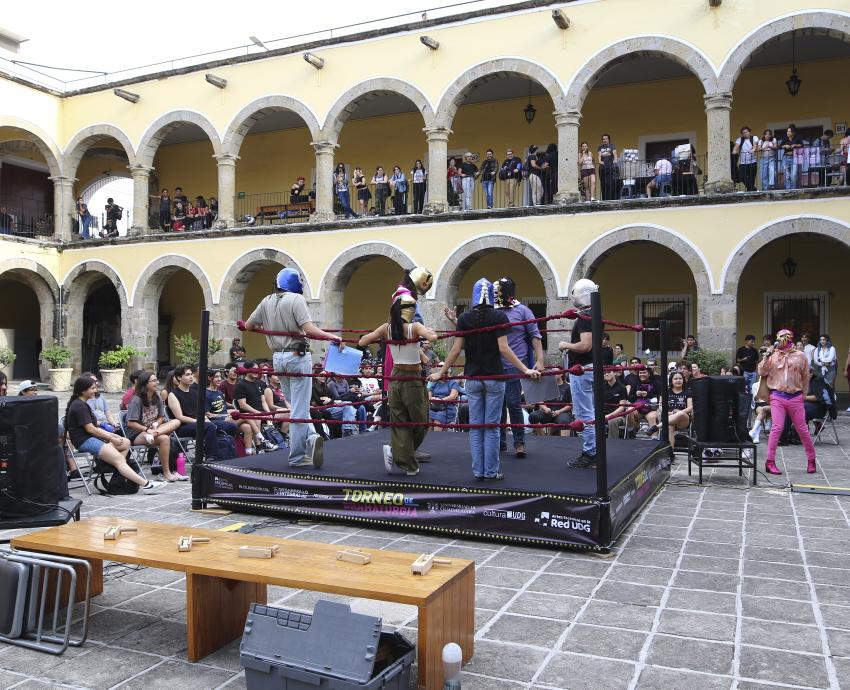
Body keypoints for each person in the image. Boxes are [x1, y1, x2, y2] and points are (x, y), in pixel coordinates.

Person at [432, 278, 539, 480]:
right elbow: (504, 349)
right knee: (491, 427)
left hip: (472, 378)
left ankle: (478, 471)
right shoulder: (498, 316)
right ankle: (491, 472)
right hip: (494, 378)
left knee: (475, 427)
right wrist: (525, 369)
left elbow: (455, 350)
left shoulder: (464, 318)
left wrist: (441, 372)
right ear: (492, 295)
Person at [243, 267, 344, 468]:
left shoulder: (266, 300)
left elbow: (248, 326)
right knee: (299, 408)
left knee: (294, 404)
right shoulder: (296, 300)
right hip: (297, 356)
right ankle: (297, 456)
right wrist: (333, 336)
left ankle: (313, 437)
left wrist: (270, 330)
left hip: (277, 358)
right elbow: (308, 329)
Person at [359, 289, 437, 476]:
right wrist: (430, 332)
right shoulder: (415, 327)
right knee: (420, 420)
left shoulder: (387, 328)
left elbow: (362, 342)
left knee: (400, 420)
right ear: (409, 309)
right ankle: (403, 457)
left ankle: (401, 454)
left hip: (395, 377)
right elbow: (432, 338)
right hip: (411, 379)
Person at [64, 376, 163, 493]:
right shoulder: (79, 405)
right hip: (85, 441)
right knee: (119, 460)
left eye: (96, 387)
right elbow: (90, 429)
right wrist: (111, 437)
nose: (96, 391)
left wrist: (113, 436)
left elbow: (94, 428)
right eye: (92, 388)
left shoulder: (83, 403)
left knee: (125, 442)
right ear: (82, 390)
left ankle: (110, 465)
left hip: (92, 437)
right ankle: (146, 484)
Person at [494, 276, 544, 458]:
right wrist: (455, 321)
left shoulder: (522, 310)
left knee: (513, 404)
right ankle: (500, 443)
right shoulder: (493, 311)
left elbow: (535, 335)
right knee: (497, 406)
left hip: (517, 365)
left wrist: (540, 360)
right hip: (496, 366)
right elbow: (477, 331)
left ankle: (519, 443)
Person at [758, 329, 817, 474]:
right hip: (777, 395)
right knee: (777, 428)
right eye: (778, 337)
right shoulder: (773, 355)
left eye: (783, 337)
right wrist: (767, 356)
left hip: (795, 396)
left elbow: (805, 377)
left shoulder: (800, 356)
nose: (780, 340)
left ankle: (811, 460)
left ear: (789, 339)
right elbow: (761, 372)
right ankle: (770, 462)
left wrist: (803, 395)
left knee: (802, 429)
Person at [559, 279, 600, 467]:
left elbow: (585, 345)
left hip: (583, 370)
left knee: (585, 413)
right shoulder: (594, 313)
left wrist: (565, 345)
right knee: (589, 411)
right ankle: (593, 450)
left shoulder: (586, 316)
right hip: (589, 368)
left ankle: (590, 452)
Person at [125, 372, 184, 481]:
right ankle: (167, 473)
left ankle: (155, 434)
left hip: (154, 431)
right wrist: (147, 429)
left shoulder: (157, 397)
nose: (157, 383)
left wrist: (156, 425)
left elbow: (161, 417)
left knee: (176, 421)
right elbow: (130, 423)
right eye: (153, 381)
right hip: (137, 433)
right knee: (165, 438)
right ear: (145, 383)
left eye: (157, 380)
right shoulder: (136, 400)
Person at [167, 365, 220, 460]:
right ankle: (211, 457)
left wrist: (206, 420)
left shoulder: (195, 392)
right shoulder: (173, 394)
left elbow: (201, 413)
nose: (191, 377)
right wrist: (199, 422)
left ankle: (227, 454)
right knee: (210, 427)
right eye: (187, 375)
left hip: (198, 423)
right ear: (179, 377)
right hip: (183, 427)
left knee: (229, 426)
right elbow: (180, 417)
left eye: (191, 374)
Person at [207, 369, 254, 451]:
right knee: (245, 416)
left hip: (226, 418)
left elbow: (224, 409)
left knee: (247, 427)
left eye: (220, 377)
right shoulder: (205, 393)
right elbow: (207, 415)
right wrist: (224, 415)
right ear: (210, 378)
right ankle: (260, 438)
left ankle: (248, 452)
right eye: (216, 377)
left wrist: (232, 412)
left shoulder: (219, 392)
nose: (219, 379)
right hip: (216, 421)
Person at [666, 371, 693, 445]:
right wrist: (671, 413)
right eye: (676, 379)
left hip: (683, 419)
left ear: (683, 380)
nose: (678, 380)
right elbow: (661, 406)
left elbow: (690, 408)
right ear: (671, 380)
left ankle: (657, 426)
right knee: (669, 427)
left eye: (680, 378)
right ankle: (670, 453)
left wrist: (678, 413)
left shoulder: (688, 392)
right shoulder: (666, 392)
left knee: (681, 413)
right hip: (669, 417)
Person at [602, 370, 628, 439]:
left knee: (612, 421)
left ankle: (613, 442)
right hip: (603, 414)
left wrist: (609, 416)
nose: (606, 374)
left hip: (618, 416)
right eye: (604, 373)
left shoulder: (622, 387)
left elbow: (622, 407)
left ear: (614, 373)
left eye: (609, 372)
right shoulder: (601, 387)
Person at [733, 126, 760, 192]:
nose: (745, 134)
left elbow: (755, 144)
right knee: (742, 177)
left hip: (752, 162)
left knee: (752, 179)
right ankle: (754, 189)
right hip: (743, 163)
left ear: (749, 132)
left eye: (746, 132)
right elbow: (736, 146)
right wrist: (734, 151)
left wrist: (753, 149)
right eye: (743, 133)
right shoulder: (740, 139)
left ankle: (750, 192)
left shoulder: (754, 137)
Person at [779, 124, 803, 189]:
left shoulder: (797, 137)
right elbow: (780, 146)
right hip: (785, 158)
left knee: (794, 174)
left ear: (793, 132)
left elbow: (802, 145)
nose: (788, 133)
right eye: (787, 131)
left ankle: (793, 188)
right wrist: (785, 146)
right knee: (787, 175)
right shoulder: (785, 138)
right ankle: (788, 188)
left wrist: (795, 145)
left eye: (789, 131)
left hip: (794, 158)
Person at [597, 134, 619, 201]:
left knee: (610, 184)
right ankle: (604, 200)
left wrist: (615, 160)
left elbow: (615, 154)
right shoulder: (600, 147)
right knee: (603, 184)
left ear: (608, 139)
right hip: (602, 168)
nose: (605, 140)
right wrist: (600, 161)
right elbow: (599, 155)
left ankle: (610, 199)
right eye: (603, 139)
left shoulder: (612, 146)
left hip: (610, 168)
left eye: (606, 139)